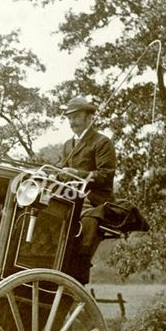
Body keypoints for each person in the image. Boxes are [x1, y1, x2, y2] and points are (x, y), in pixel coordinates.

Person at [58, 96, 116, 282]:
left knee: (82, 223)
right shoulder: (68, 144)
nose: (72, 121)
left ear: (89, 117)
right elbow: (61, 168)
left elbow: (105, 175)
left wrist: (76, 173)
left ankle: (79, 264)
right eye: (69, 118)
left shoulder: (101, 142)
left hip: (94, 198)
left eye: (76, 116)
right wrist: (55, 174)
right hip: (70, 196)